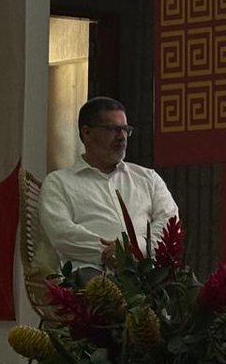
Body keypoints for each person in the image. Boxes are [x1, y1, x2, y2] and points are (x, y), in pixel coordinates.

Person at [38, 97, 178, 275]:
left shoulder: (147, 178)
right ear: (87, 133)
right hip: (90, 274)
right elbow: (62, 233)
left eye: (125, 129)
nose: (122, 137)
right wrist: (113, 253)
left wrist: (136, 249)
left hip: (147, 272)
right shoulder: (59, 183)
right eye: (113, 129)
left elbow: (170, 222)